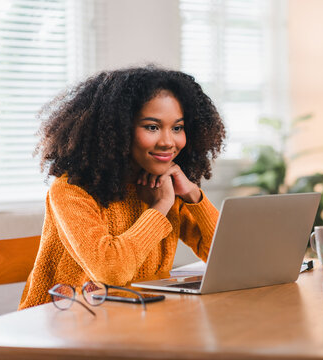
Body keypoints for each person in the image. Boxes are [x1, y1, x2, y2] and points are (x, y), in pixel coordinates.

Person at [18, 64, 226, 309]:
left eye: (177, 128)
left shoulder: (165, 185)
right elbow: (111, 272)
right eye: (152, 127)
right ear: (117, 130)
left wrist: (193, 194)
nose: (168, 141)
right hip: (59, 324)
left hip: (135, 315)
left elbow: (226, 260)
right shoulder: (70, 190)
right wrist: (159, 207)